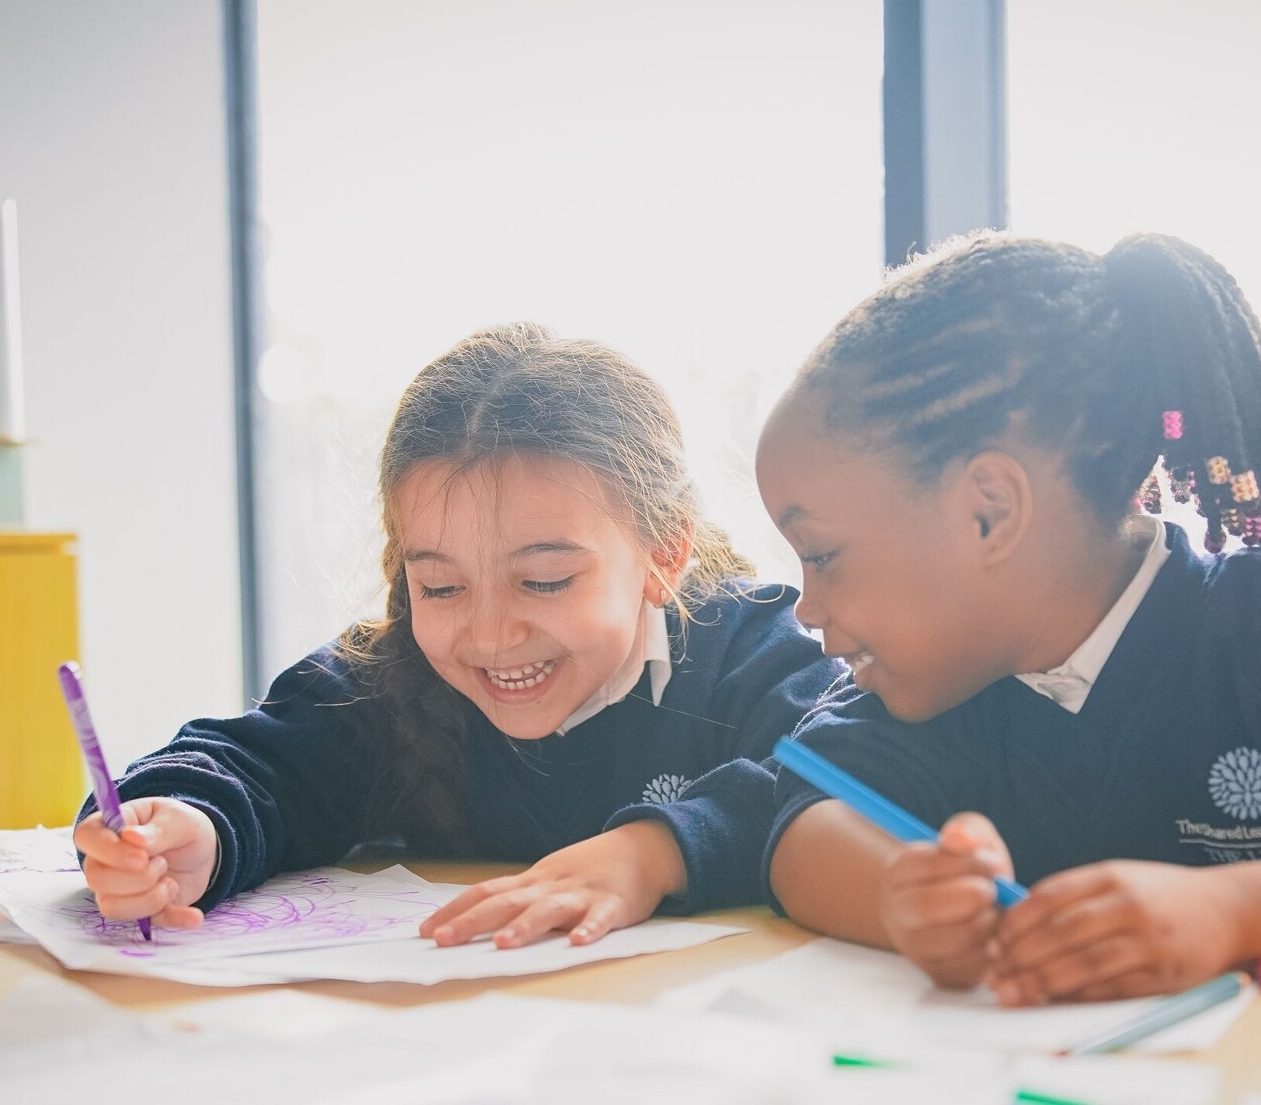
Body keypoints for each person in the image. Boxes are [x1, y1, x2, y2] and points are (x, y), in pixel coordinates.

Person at [755, 233, 1261, 1004]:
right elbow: (804, 820)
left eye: (822, 555)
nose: (808, 606)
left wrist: (1234, 911)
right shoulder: (946, 688)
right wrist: (906, 899)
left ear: (988, 511)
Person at [76, 322, 838, 948]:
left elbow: (855, 772)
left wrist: (656, 851)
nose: (490, 633)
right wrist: (185, 830)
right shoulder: (393, 682)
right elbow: (249, 764)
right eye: (441, 587)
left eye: (543, 580)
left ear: (663, 553)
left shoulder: (751, 649)